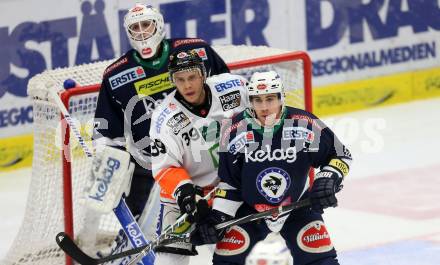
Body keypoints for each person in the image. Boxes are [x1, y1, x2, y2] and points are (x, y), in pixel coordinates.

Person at [191, 70, 353, 265]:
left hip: (297, 207)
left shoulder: (304, 124)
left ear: (281, 97)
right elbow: (230, 183)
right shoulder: (233, 131)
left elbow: (341, 154)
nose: (265, 107)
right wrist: (218, 216)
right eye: (258, 100)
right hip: (249, 210)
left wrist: (327, 178)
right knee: (225, 262)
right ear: (250, 100)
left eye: (270, 99)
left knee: (321, 261)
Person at [92, 3, 229, 220]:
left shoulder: (197, 51)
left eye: (146, 24)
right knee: (141, 224)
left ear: (158, 25)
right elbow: (107, 134)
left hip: (204, 152)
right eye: (135, 28)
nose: (142, 32)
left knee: (221, 215)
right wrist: (105, 162)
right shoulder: (115, 75)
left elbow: (225, 93)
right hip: (151, 161)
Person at [149, 49, 248, 264]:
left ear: (203, 74)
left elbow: (262, 111)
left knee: (234, 250)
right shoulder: (163, 118)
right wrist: (186, 196)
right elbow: (164, 168)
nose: (187, 86)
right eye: (180, 79)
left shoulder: (233, 87)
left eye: (192, 77)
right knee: (168, 259)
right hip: (187, 197)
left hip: (229, 189)